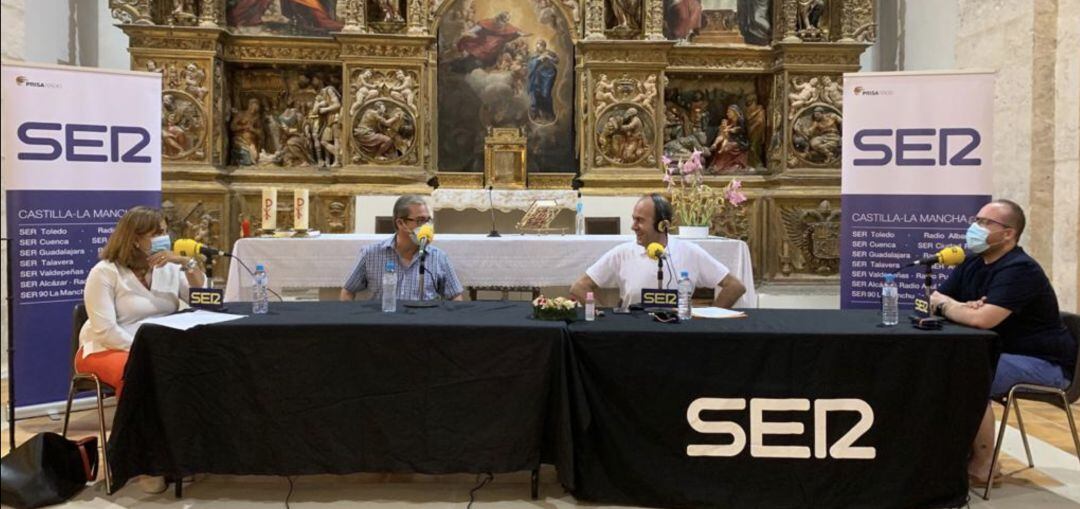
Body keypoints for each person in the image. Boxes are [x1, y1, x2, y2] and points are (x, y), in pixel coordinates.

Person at [930, 199, 1077, 487]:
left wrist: (952, 307)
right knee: (941, 367)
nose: (975, 227)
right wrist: (957, 306)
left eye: (985, 223)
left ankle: (984, 466)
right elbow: (934, 299)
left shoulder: (1020, 269)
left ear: (1008, 233)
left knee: (968, 376)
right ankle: (948, 456)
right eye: (976, 220)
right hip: (1001, 354)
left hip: (1044, 363)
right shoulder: (972, 261)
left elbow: (982, 319)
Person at [570, 194, 746, 309]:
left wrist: (710, 320)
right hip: (632, 336)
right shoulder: (622, 253)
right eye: (634, 219)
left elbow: (735, 287)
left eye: (640, 221)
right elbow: (579, 287)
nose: (633, 226)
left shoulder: (690, 252)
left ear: (663, 225)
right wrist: (603, 317)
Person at [341, 195, 464, 302]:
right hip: (383, 323)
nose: (426, 226)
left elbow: (455, 296)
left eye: (428, 220)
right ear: (400, 223)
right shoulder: (370, 254)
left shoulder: (438, 257)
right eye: (420, 220)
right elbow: (348, 291)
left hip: (422, 324)